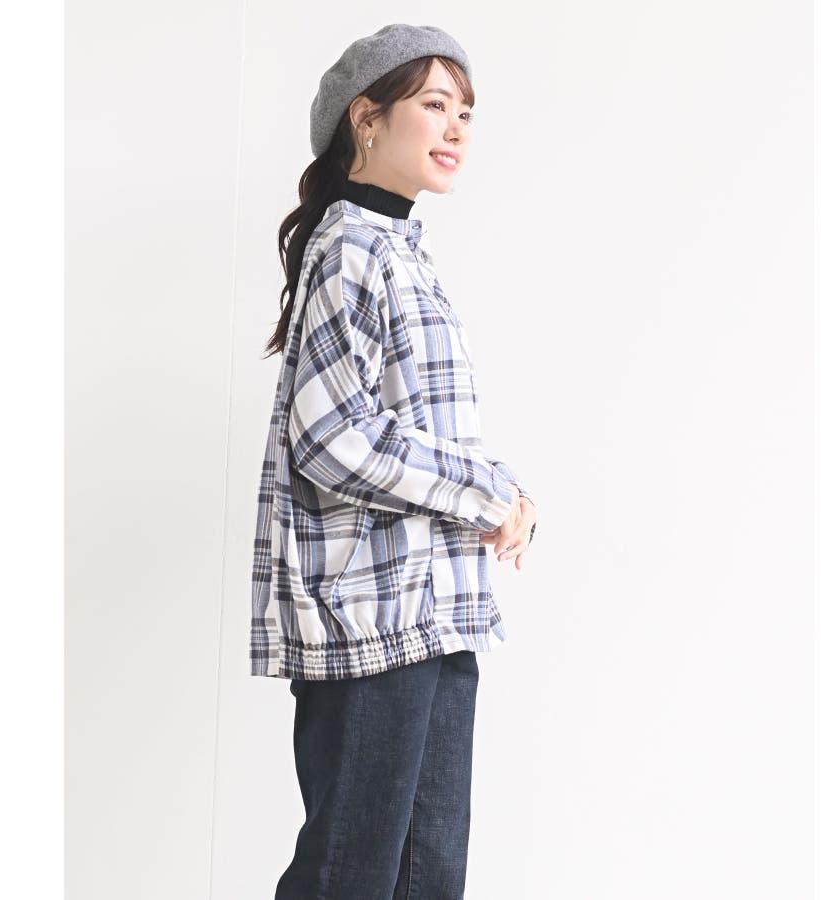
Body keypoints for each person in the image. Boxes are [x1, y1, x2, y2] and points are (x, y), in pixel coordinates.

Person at [250, 23, 538, 899]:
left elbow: (414, 435)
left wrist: (504, 494)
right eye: (435, 105)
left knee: (427, 876)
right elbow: (332, 437)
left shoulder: (401, 251)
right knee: (352, 875)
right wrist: (485, 492)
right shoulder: (352, 249)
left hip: (434, 611)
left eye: (466, 112)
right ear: (365, 119)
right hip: (372, 619)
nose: (456, 128)